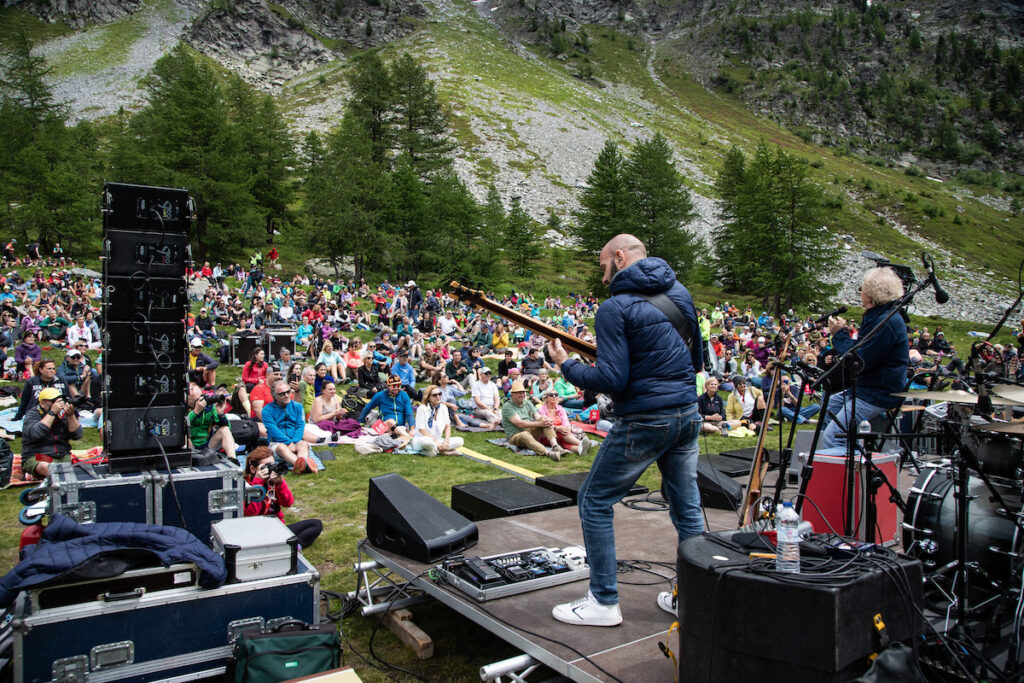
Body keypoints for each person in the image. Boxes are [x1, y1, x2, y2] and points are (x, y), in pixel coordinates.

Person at [546, 233, 703, 627]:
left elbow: (613, 379)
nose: (602, 279)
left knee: (594, 501)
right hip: (687, 414)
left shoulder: (615, 307)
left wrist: (566, 364)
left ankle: (603, 601)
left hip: (646, 419)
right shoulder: (680, 293)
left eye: (603, 268)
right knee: (687, 510)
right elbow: (695, 360)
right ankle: (697, 599)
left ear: (619, 257)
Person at [820, 267, 909, 450]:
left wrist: (839, 334)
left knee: (832, 437)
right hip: (868, 388)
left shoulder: (885, 322)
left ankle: (848, 472)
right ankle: (850, 452)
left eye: (863, 289)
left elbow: (860, 360)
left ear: (872, 294)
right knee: (829, 406)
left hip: (878, 394)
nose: (860, 292)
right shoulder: (880, 316)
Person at [22, 387, 83, 479]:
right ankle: (38, 473)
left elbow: (78, 435)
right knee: (47, 468)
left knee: (82, 469)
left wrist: (70, 415)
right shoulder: (32, 415)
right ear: (42, 403)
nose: (57, 404)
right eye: (53, 401)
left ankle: (41, 475)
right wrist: (52, 413)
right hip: (38, 455)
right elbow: (36, 434)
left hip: (62, 455)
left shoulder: (62, 414)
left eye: (59, 401)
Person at [262, 379, 317, 474]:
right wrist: (288, 443)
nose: (287, 395)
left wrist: (294, 442)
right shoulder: (267, 410)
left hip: (296, 440)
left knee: (303, 444)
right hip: (277, 443)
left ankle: (301, 464)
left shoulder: (298, 407)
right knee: (281, 448)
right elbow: (273, 430)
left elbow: (300, 425)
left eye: (288, 392)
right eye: (282, 394)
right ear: (275, 396)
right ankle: (304, 466)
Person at [501, 380, 566, 460]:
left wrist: (545, 419)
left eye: (523, 392)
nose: (522, 394)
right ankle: (548, 453)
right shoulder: (508, 407)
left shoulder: (528, 403)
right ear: (512, 394)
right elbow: (519, 424)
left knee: (543, 419)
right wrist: (540, 424)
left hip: (530, 431)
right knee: (525, 434)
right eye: (519, 392)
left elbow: (538, 417)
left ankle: (555, 446)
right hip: (515, 436)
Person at [359, 375, 414, 446]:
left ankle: (400, 440)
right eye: (393, 386)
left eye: (398, 385)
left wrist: (412, 428)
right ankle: (410, 439)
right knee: (391, 421)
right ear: (387, 386)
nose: (396, 388)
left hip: (399, 427)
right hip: (381, 427)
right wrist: (361, 422)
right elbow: (367, 407)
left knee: (412, 430)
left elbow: (409, 413)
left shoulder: (404, 395)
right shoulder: (380, 395)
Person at [412, 384, 465, 456]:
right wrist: (436, 442)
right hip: (422, 439)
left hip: (438, 439)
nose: (438, 397)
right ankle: (443, 451)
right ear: (428, 398)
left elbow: (447, 425)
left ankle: (437, 451)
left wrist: (446, 440)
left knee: (460, 441)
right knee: (428, 443)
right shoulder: (422, 408)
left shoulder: (443, 407)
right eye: (434, 395)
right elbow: (421, 430)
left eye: (439, 394)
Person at [186, 382, 237, 455]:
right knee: (185, 437)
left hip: (207, 445)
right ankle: (187, 460)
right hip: (191, 446)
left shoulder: (209, 407)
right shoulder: (182, 409)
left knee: (225, 429)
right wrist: (195, 412)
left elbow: (228, 426)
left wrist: (220, 414)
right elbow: (181, 426)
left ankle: (233, 459)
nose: (201, 402)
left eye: (202, 397)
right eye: (197, 400)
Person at [537, 388, 591, 455]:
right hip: (548, 435)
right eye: (551, 395)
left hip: (562, 431)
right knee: (563, 435)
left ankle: (579, 449)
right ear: (546, 398)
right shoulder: (542, 410)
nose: (554, 396)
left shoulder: (560, 408)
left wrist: (567, 428)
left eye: (556, 394)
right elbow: (545, 424)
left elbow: (565, 420)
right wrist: (557, 428)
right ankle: (581, 443)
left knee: (564, 441)